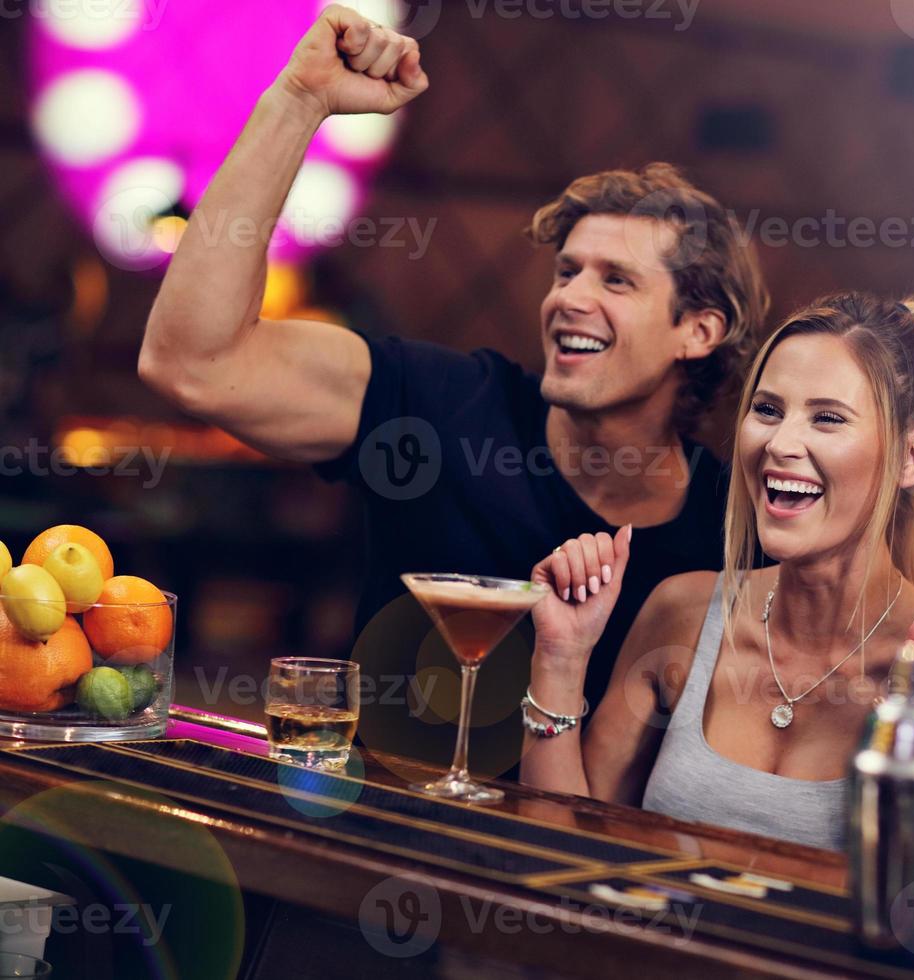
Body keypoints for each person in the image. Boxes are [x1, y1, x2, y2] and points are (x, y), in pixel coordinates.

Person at [137, 5, 768, 710]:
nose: (569, 299)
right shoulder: (440, 406)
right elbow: (189, 362)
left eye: (615, 280)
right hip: (357, 815)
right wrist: (298, 101)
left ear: (700, 331)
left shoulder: (735, 534)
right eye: (567, 272)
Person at [515, 292, 914, 851]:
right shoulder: (682, 613)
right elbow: (561, 852)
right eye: (768, 410)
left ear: (911, 458)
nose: (780, 443)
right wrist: (560, 658)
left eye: (827, 418)